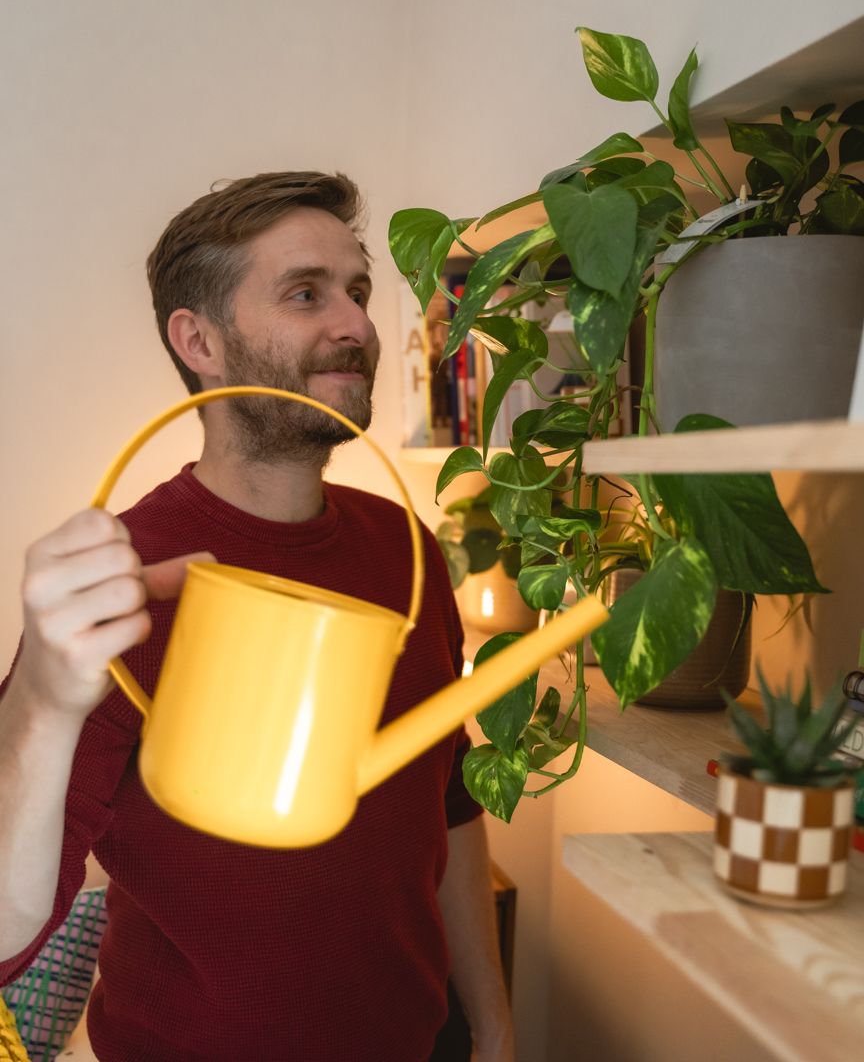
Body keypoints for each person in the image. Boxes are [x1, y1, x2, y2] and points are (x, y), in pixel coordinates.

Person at [0, 172, 514, 1061]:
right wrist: (41, 701)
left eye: (356, 291)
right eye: (305, 293)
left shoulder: (410, 549)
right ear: (198, 339)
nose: (356, 323)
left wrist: (498, 1028)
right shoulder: (126, 582)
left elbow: (448, 802)